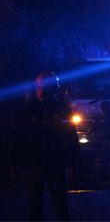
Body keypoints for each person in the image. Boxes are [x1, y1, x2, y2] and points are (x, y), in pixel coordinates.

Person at [12, 72, 80, 221]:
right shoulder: (59, 109)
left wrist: (15, 161)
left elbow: (21, 137)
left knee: (45, 205)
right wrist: (73, 164)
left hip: (45, 163)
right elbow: (71, 138)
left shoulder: (35, 109)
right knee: (53, 205)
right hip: (44, 163)